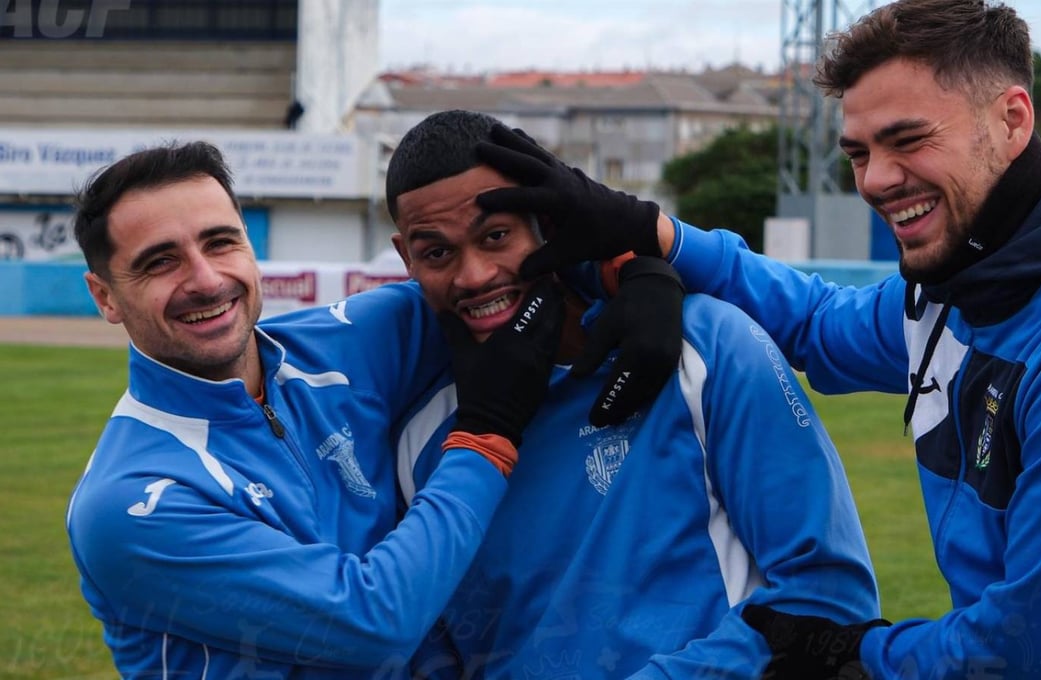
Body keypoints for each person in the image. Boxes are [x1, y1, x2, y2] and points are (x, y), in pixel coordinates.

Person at [468, 0, 1041, 677]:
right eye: (858, 153)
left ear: (1012, 121)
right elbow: (817, 324)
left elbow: (1027, 652)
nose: (877, 180)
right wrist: (645, 239)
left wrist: (848, 654)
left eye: (908, 140)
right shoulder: (963, 287)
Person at [63, 141, 679, 678]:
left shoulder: (349, 342)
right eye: (160, 261)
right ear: (105, 297)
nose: (205, 279)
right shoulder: (131, 503)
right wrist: (485, 437)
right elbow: (374, 621)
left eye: (219, 242)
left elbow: (507, 278)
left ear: (249, 246)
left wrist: (631, 269)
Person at [383, 109, 881, 679]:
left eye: (496, 236)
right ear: (406, 257)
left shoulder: (711, 348)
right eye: (438, 253)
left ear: (546, 223)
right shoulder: (418, 431)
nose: (474, 276)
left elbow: (830, 599)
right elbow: (422, 644)